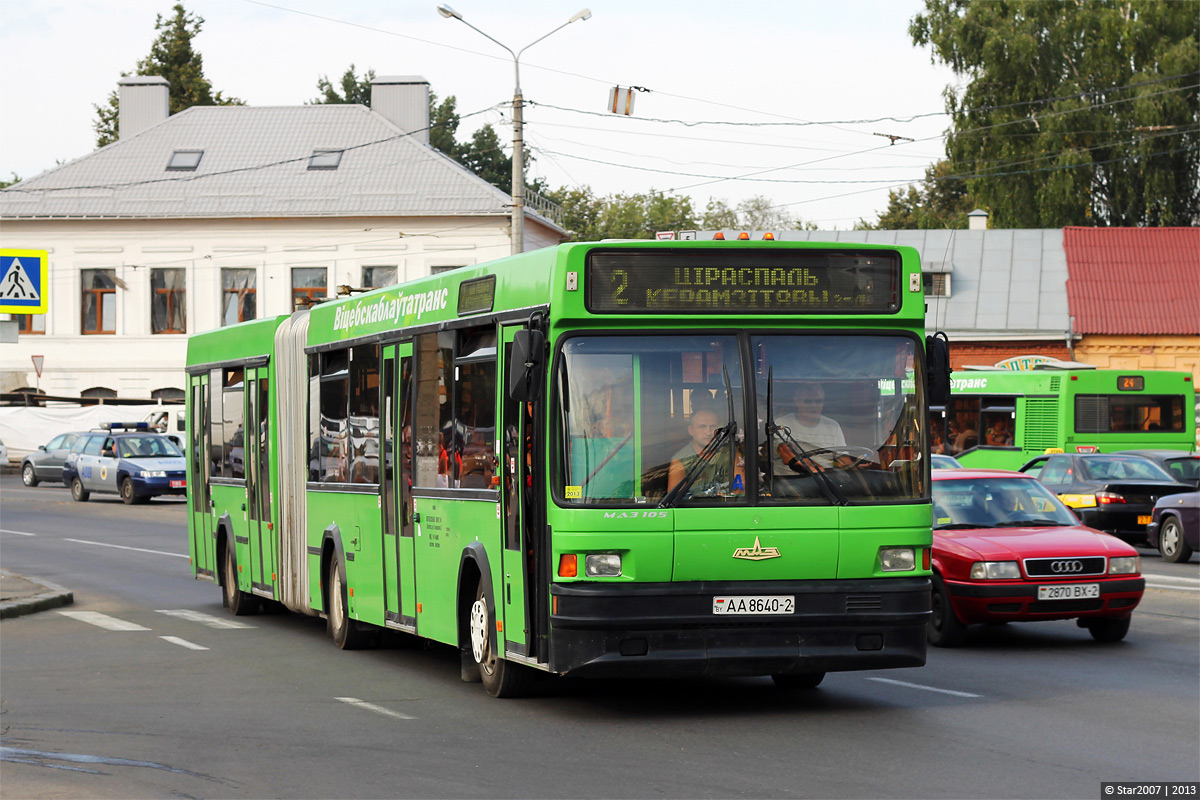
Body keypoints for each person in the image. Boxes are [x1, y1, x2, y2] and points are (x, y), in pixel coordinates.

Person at [667, 408, 743, 496]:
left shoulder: (731, 452)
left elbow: (741, 488)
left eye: (713, 426)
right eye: (702, 427)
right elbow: (676, 498)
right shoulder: (680, 460)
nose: (708, 432)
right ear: (691, 430)